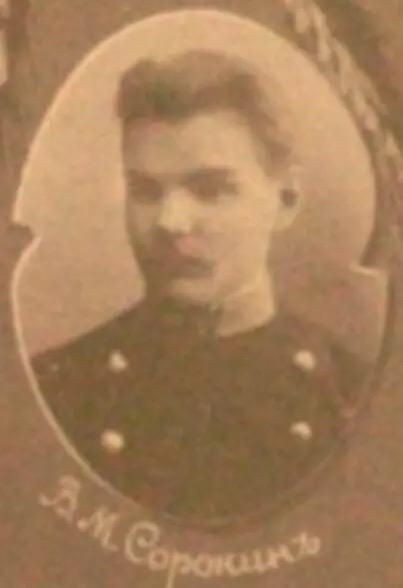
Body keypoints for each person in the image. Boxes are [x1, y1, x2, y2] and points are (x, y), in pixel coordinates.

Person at [31, 50, 367, 527]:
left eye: (210, 190)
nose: (169, 222)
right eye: (146, 191)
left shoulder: (353, 396)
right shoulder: (55, 391)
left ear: (286, 200)